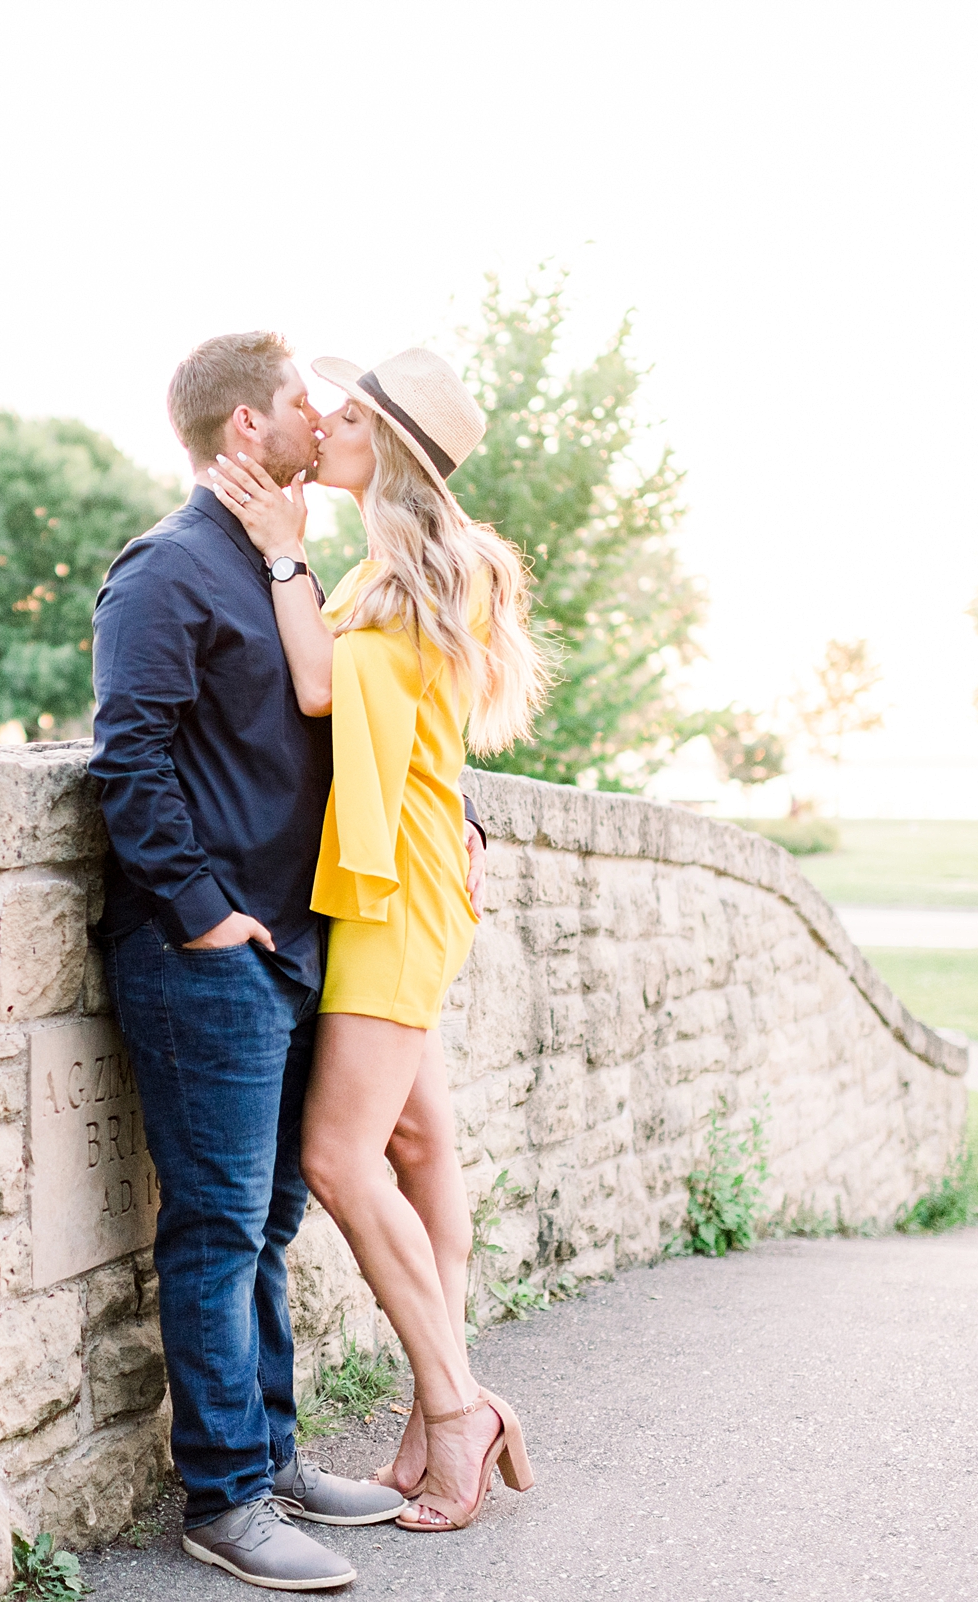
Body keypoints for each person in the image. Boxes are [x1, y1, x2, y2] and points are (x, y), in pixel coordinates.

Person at [92, 333, 489, 1590]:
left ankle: (270, 1460)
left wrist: (459, 812)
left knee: (266, 1222)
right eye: (299, 407)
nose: (320, 420)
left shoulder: (291, 569)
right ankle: (225, 1501)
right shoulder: (166, 573)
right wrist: (204, 913)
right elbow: (129, 761)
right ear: (243, 434)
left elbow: (366, 721)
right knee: (215, 1228)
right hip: (210, 956)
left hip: (301, 944)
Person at [205, 345, 549, 1534]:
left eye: (348, 415)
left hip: (394, 895)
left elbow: (317, 690)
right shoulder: (405, 562)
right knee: (416, 1146)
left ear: (385, 449)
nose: (327, 421)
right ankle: (428, 1415)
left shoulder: (400, 572)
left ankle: (458, 1411)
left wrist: (279, 549)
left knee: (344, 1161)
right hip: (403, 880)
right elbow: (421, 743)